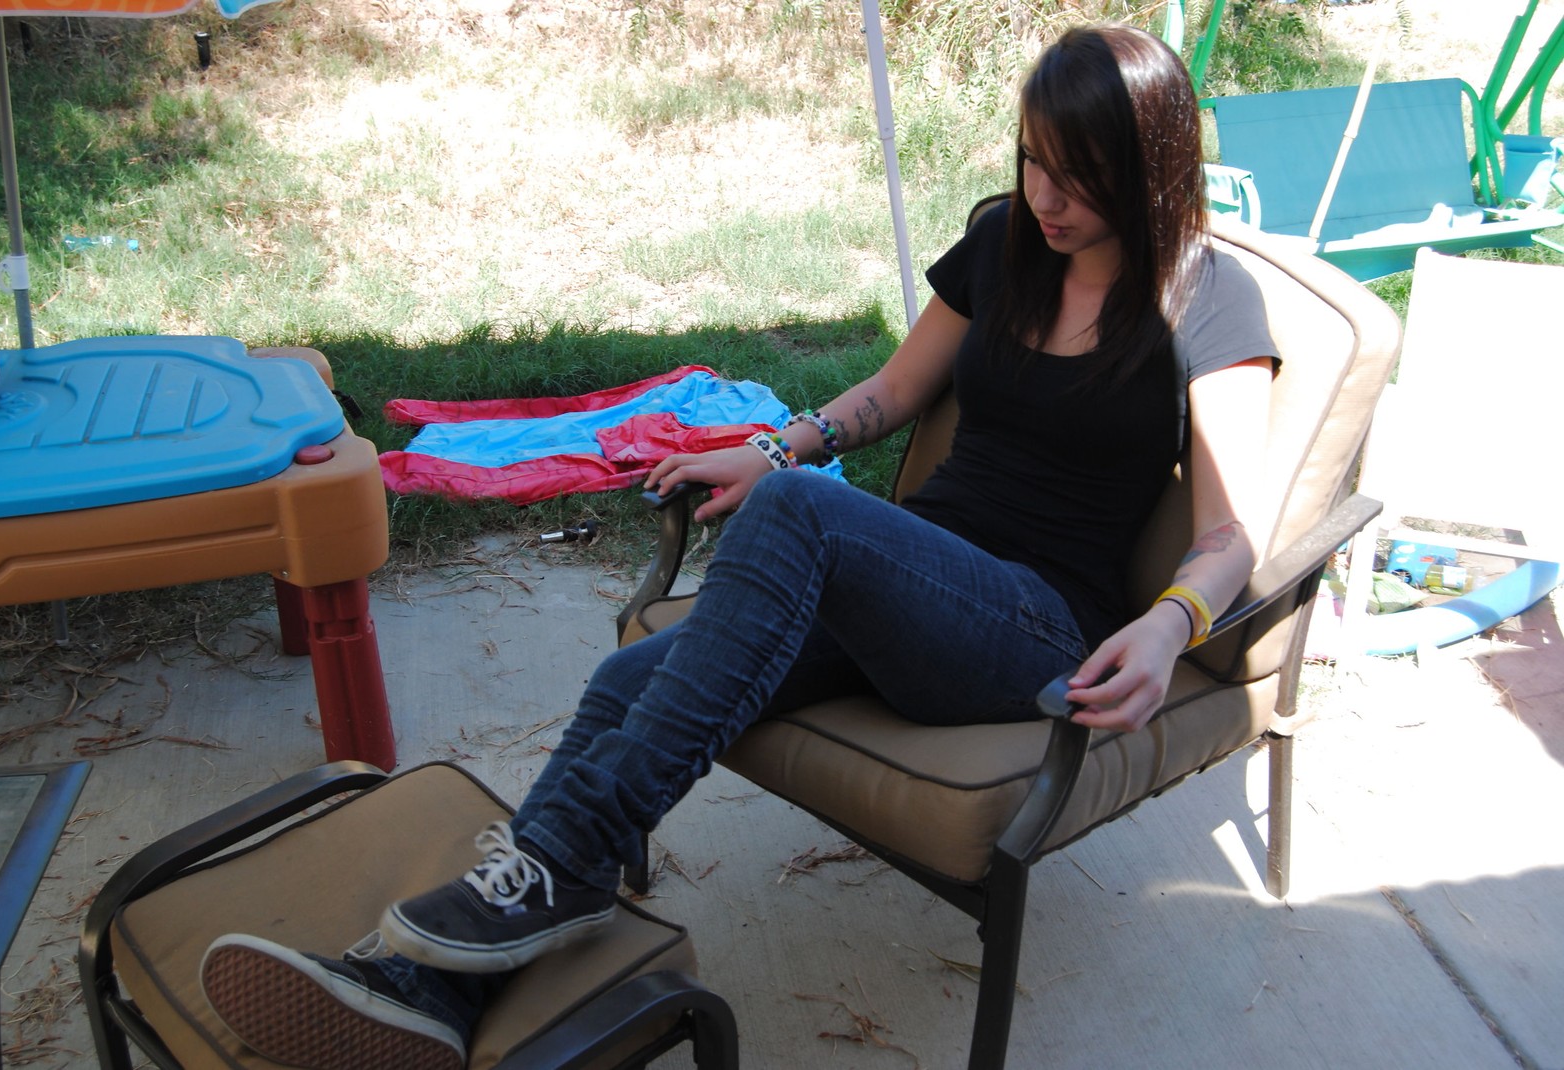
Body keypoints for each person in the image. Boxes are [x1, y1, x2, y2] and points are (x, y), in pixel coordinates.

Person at [198, 21, 1279, 1070]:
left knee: (802, 511)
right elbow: (894, 388)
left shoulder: (1206, 297)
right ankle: (433, 987)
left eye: (1079, 175)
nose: (1047, 196)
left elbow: (1232, 531)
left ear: (1149, 166)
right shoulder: (1006, 244)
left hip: (1034, 632)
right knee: (627, 681)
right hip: (914, 583)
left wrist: (1167, 624)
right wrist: (774, 445)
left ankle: (554, 871)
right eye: (1035, 161)